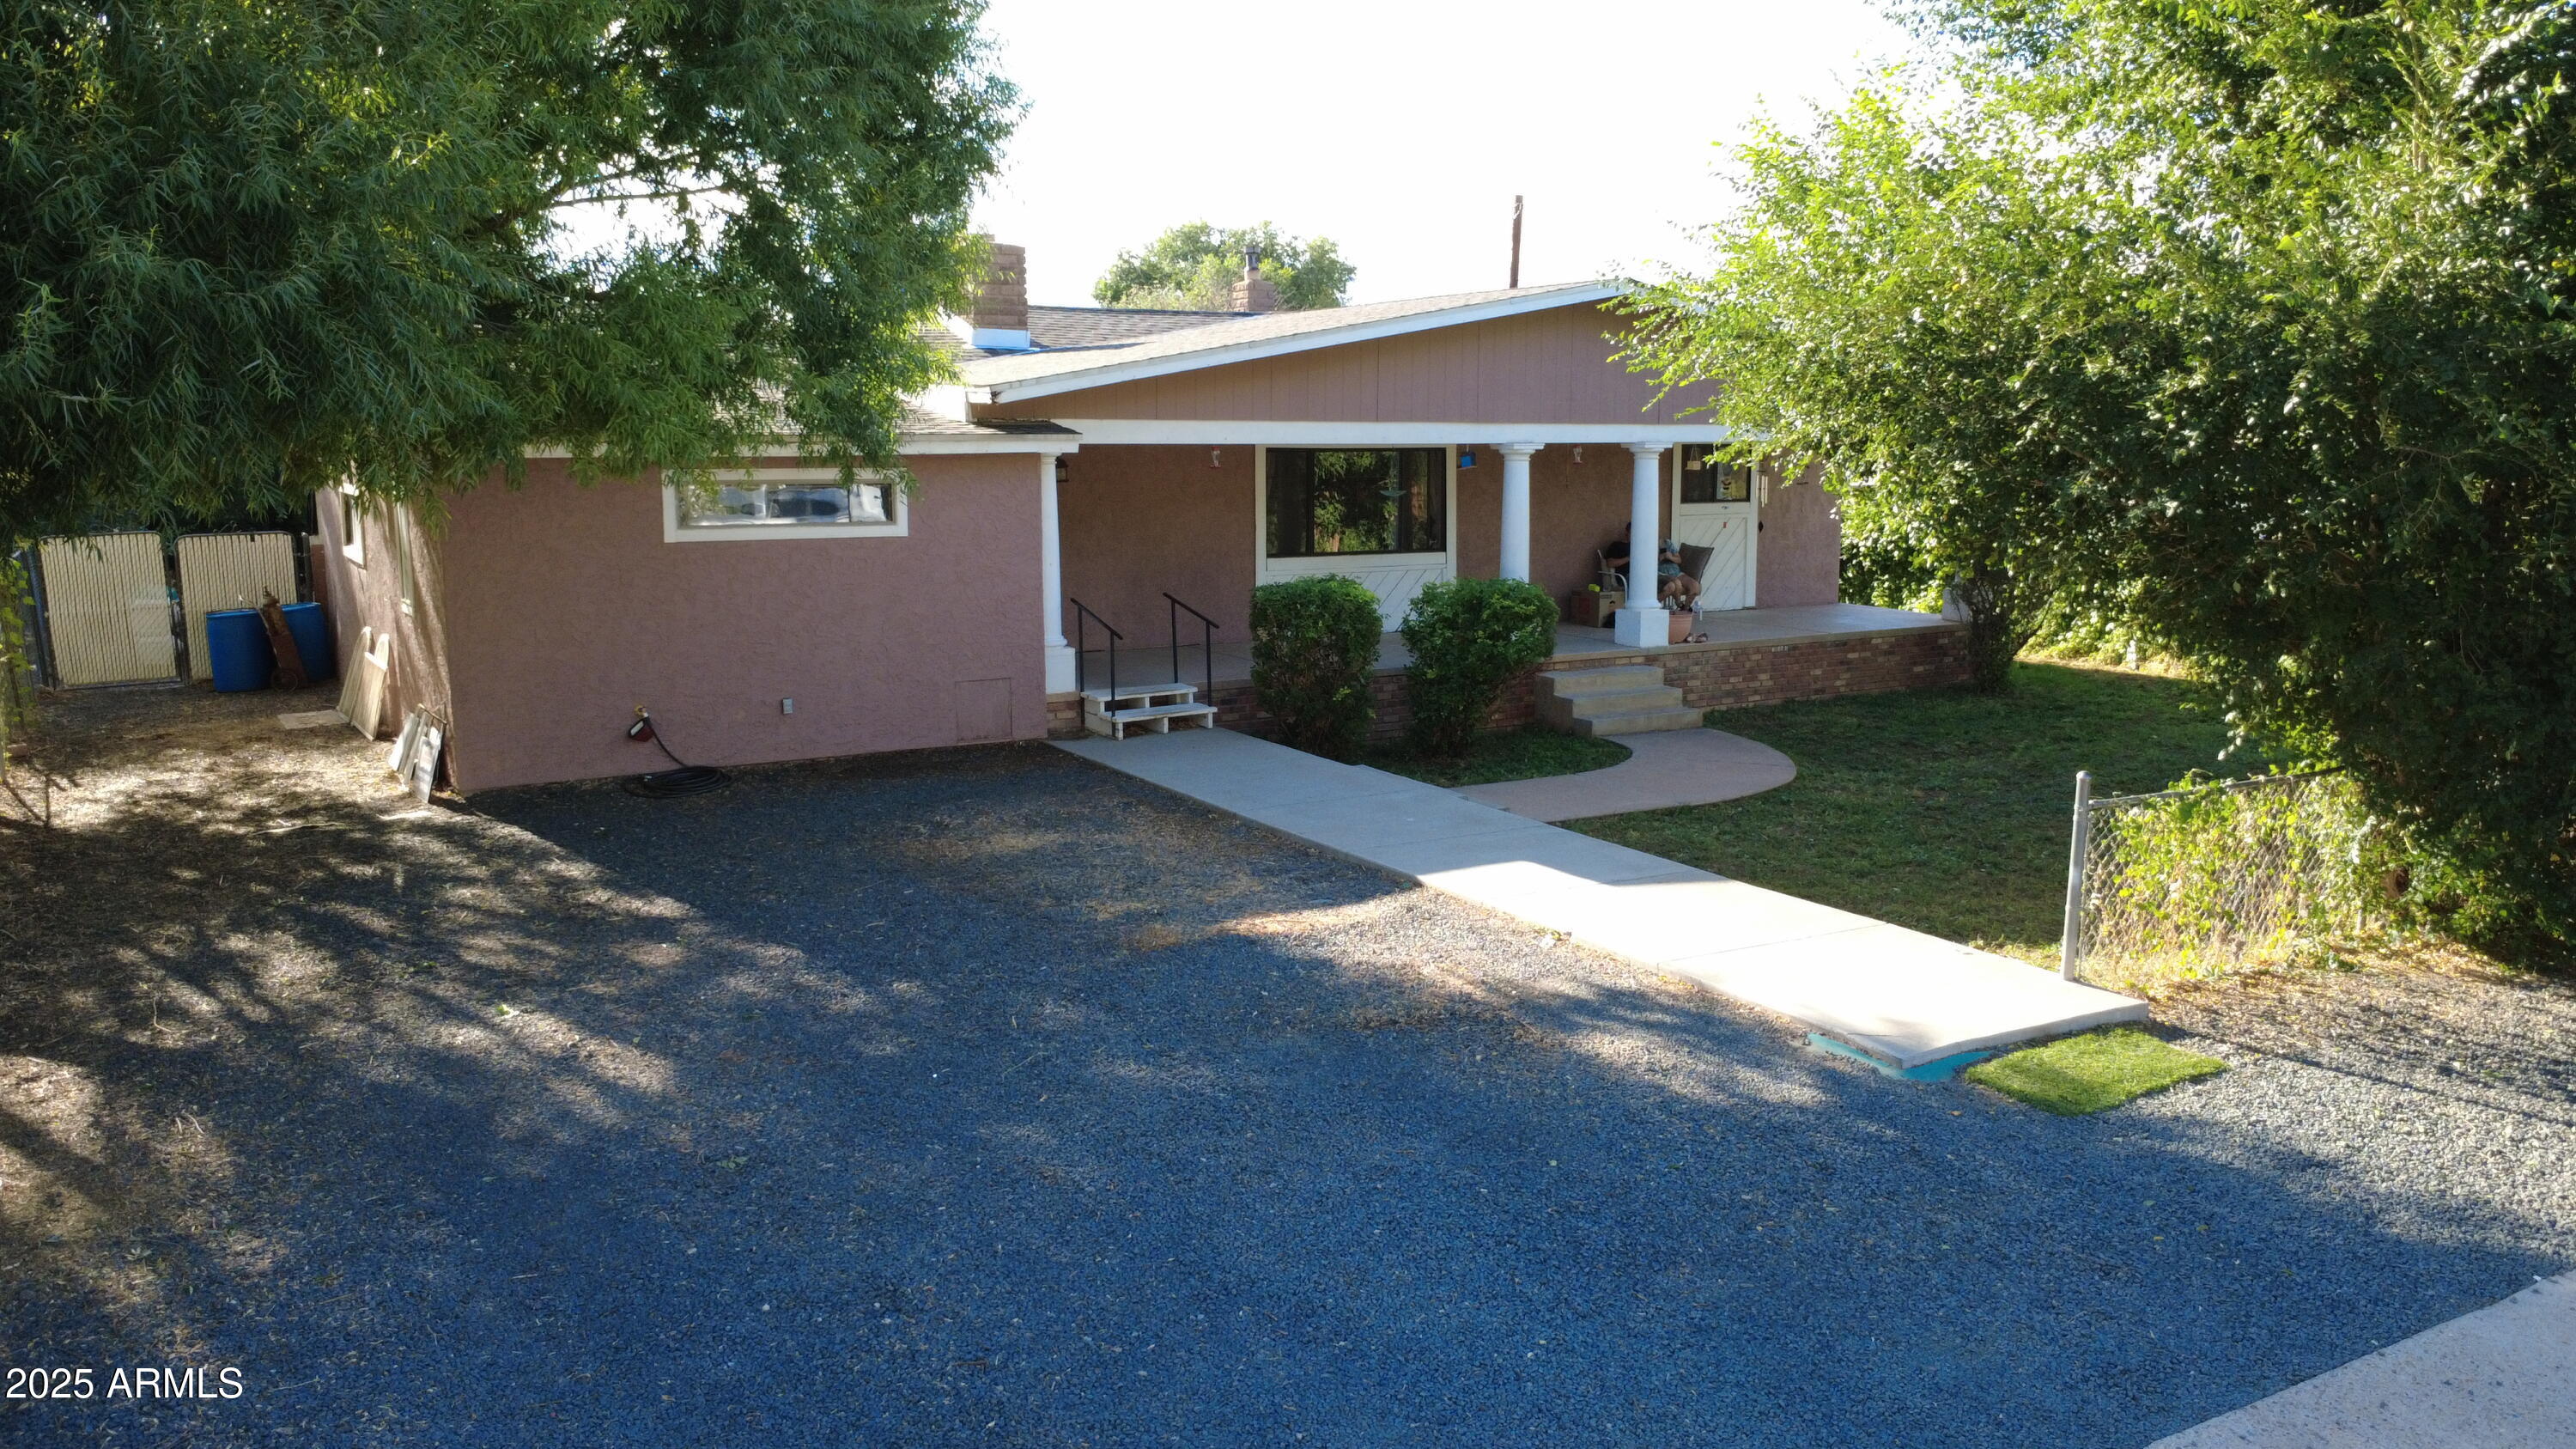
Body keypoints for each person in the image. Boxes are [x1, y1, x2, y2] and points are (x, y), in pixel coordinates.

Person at [1603, 526, 1699, 609]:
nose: (1637, 535)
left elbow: (1677, 559)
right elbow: (1610, 563)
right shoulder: (1617, 545)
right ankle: (1649, 609)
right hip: (1634, 576)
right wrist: (1630, 558)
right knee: (1672, 585)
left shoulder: (1644, 545)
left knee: (1690, 586)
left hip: (1651, 574)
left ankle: (1683, 609)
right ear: (1627, 532)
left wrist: (1668, 556)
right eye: (1634, 532)